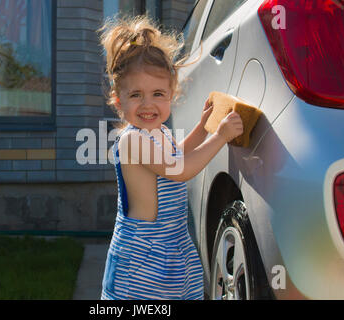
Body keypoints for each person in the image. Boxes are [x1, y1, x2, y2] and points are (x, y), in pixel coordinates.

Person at [98, 15, 243, 300]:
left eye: (158, 94)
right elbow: (179, 169)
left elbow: (178, 155)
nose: (148, 104)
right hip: (141, 259)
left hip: (173, 245)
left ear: (171, 93)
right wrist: (220, 137)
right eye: (136, 95)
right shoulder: (132, 140)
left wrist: (202, 130)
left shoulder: (159, 132)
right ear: (118, 99)